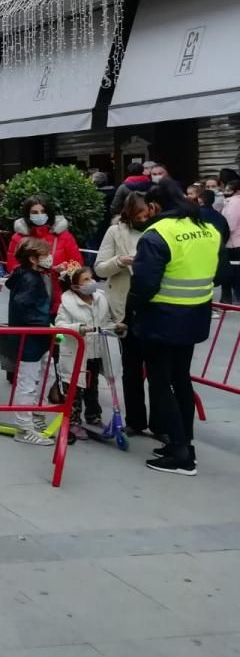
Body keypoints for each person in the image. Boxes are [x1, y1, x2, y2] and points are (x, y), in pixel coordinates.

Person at [130, 180, 225, 476]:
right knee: (181, 380)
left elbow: (144, 284)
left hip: (161, 318)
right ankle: (185, 444)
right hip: (195, 315)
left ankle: (180, 453)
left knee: (160, 383)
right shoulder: (209, 229)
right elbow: (221, 273)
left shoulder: (157, 234)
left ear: (155, 206)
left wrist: (130, 308)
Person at [95, 193, 154, 436]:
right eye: (139, 216)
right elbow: (99, 267)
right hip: (126, 305)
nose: (143, 219)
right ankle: (135, 420)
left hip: (155, 304)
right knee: (131, 366)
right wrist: (120, 261)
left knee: (158, 369)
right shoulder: (115, 232)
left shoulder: (158, 230)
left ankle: (160, 422)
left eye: (146, 215)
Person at [5, 237, 58, 446]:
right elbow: (23, 305)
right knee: (28, 382)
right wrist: (42, 325)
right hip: (31, 337)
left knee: (48, 374)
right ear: (33, 258)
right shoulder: (30, 279)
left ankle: (37, 416)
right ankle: (24, 427)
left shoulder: (31, 275)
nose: (49, 258)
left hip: (39, 336)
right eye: (45, 255)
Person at [55, 267, 117, 440]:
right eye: (86, 280)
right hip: (76, 353)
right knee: (75, 388)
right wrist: (79, 328)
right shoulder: (67, 303)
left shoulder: (100, 299)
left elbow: (107, 321)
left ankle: (93, 416)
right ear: (75, 287)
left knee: (92, 385)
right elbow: (60, 325)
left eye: (91, 278)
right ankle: (73, 422)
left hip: (95, 351)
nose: (92, 282)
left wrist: (116, 327)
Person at [5, 195, 83, 317]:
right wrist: (35, 269)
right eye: (34, 212)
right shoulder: (18, 239)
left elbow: (77, 265)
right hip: (31, 297)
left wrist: (65, 268)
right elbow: (13, 268)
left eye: (43, 211)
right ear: (28, 214)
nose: (39, 215)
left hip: (60, 297)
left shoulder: (64, 236)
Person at [223, 179, 240, 306]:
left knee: (234, 271)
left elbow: (230, 226)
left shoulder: (234, 203)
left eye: (228, 190)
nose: (225, 192)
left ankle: (234, 298)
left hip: (233, 243)